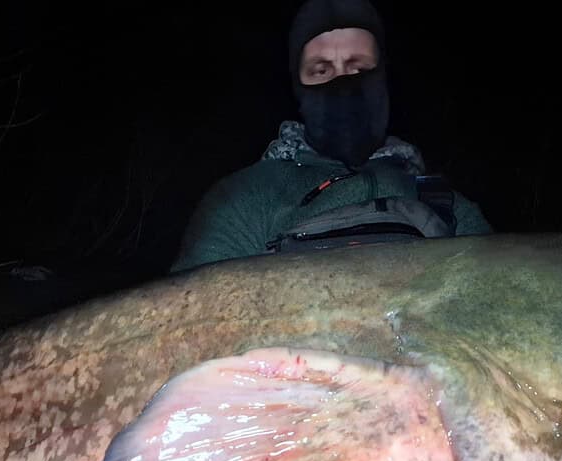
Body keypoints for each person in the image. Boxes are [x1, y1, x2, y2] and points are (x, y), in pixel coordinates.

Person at [169, 0, 492, 273]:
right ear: (297, 87)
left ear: (383, 79)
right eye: (321, 71)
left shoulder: (447, 205)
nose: (344, 85)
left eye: (358, 68)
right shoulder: (242, 199)